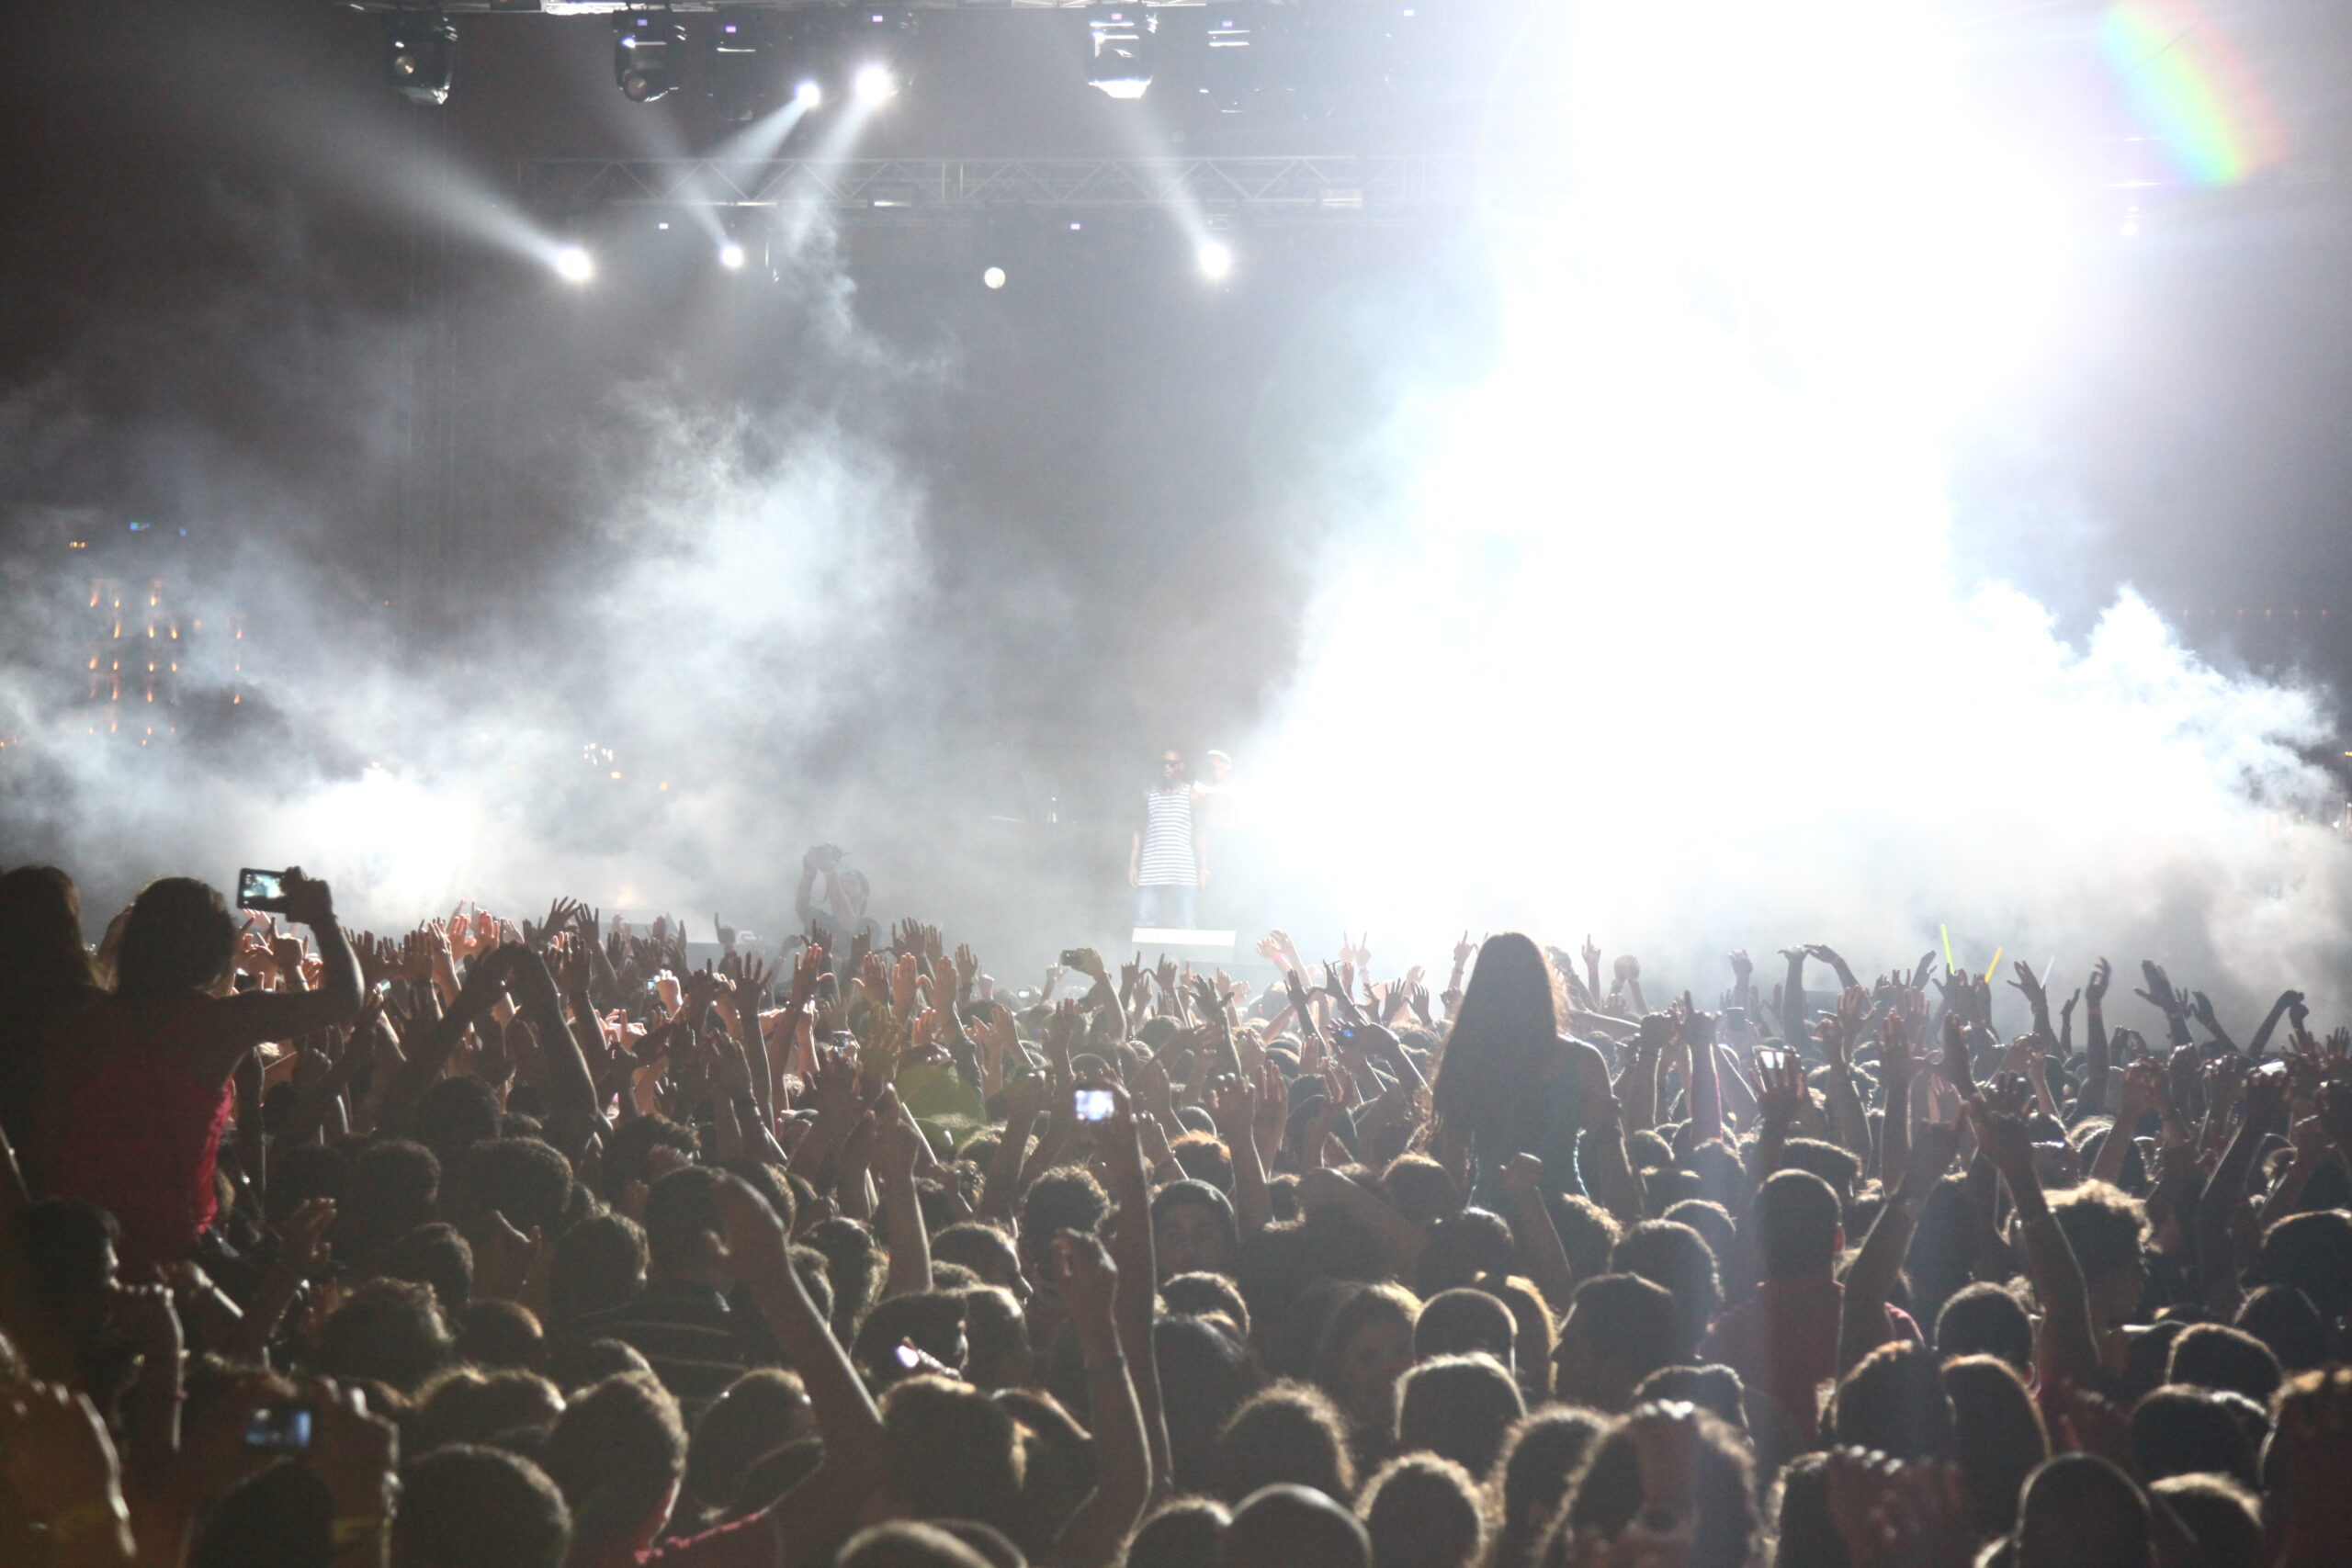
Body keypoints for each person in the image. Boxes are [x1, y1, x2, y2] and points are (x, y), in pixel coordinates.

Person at [36, 869, 361, 1271]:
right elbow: (346, 999)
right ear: (215, 949)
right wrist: (322, 918)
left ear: (134, 941)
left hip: (70, 1244)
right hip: (168, 1250)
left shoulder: (79, 1020)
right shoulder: (220, 1024)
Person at [1428, 932, 1611, 1204]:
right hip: (1568, 1214)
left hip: (1491, 1214)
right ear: (1542, 987)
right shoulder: (1584, 1060)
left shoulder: (1467, 1057)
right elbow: (1611, 1156)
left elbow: (1452, 1160)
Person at [1129, 750, 1206, 930]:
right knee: (1143, 924)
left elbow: (1201, 833)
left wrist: (1204, 868)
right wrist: (1132, 864)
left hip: (1182, 871)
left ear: (1181, 767)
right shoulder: (1149, 795)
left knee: (1186, 924)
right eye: (1163, 763)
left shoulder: (1192, 796)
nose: (1167, 767)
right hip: (1151, 870)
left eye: (1172, 764)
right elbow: (1139, 830)